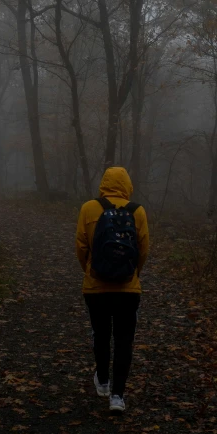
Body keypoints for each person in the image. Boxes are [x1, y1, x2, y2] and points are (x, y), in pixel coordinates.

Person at [76, 167, 149, 412]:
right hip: (128, 289)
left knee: (101, 333)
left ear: (104, 183)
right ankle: (117, 397)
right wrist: (132, 275)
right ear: (128, 184)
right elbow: (143, 250)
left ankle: (103, 382)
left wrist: (90, 270)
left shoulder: (88, 208)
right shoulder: (137, 211)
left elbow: (81, 247)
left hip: (96, 287)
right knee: (124, 339)